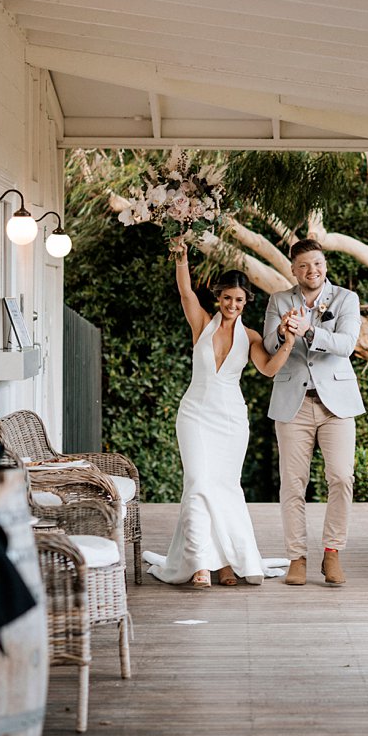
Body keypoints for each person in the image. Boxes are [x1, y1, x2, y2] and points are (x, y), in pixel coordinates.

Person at [143, 243, 294, 588]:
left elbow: (269, 370)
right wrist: (180, 254)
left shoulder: (251, 337)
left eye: (239, 300)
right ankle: (199, 563)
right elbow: (184, 290)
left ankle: (225, 562)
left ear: (245, 303)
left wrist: (289, 342)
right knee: (197, 484)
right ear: (219, 297)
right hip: (195, 415)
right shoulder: (201, 325)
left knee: (223, 487)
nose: (232, 305)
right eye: (228, 298)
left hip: (231, 422)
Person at [264, 239, 364, 587]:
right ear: (293, 269)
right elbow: (267, 346)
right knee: (292, 484)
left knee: (341, 477)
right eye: (304, 265)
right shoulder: (279, 301)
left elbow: (346, 344)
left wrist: (308, 329)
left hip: (336, 404)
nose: (312, 271)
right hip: (293, 403)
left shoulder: (345, 299)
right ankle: (297, 558)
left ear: (325, 265)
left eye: (318, 264)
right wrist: (281, 331)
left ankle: (332, 552)